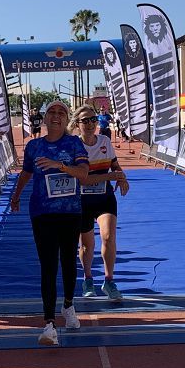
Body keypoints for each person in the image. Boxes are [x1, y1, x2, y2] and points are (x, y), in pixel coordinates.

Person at [9, 100, 91, 346]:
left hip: (70, 212)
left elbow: (84, 175)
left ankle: (68, 305)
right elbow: (26, 173)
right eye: (51, 112)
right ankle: (49, 324)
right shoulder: (34, 146)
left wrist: (60, 166)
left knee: (68, 261)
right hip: (42, 212)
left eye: (61, 113)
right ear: (44, 119)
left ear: (67, 121)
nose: (56, 116)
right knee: (48, 265)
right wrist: (15, 196)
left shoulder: (73, 143)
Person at [72, 105, 129, 302]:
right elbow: (82, 178)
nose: (90, 124)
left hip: (104, 197)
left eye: (93, 119)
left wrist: (122, 178)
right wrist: (111, 176)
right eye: (85, 121)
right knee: (87, 245)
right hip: (81, 199)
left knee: (108, 236)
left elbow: (114, 163)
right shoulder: (74, 145)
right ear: (77, 124)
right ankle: (88, 279)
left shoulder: (104, 140)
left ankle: (109, 280)